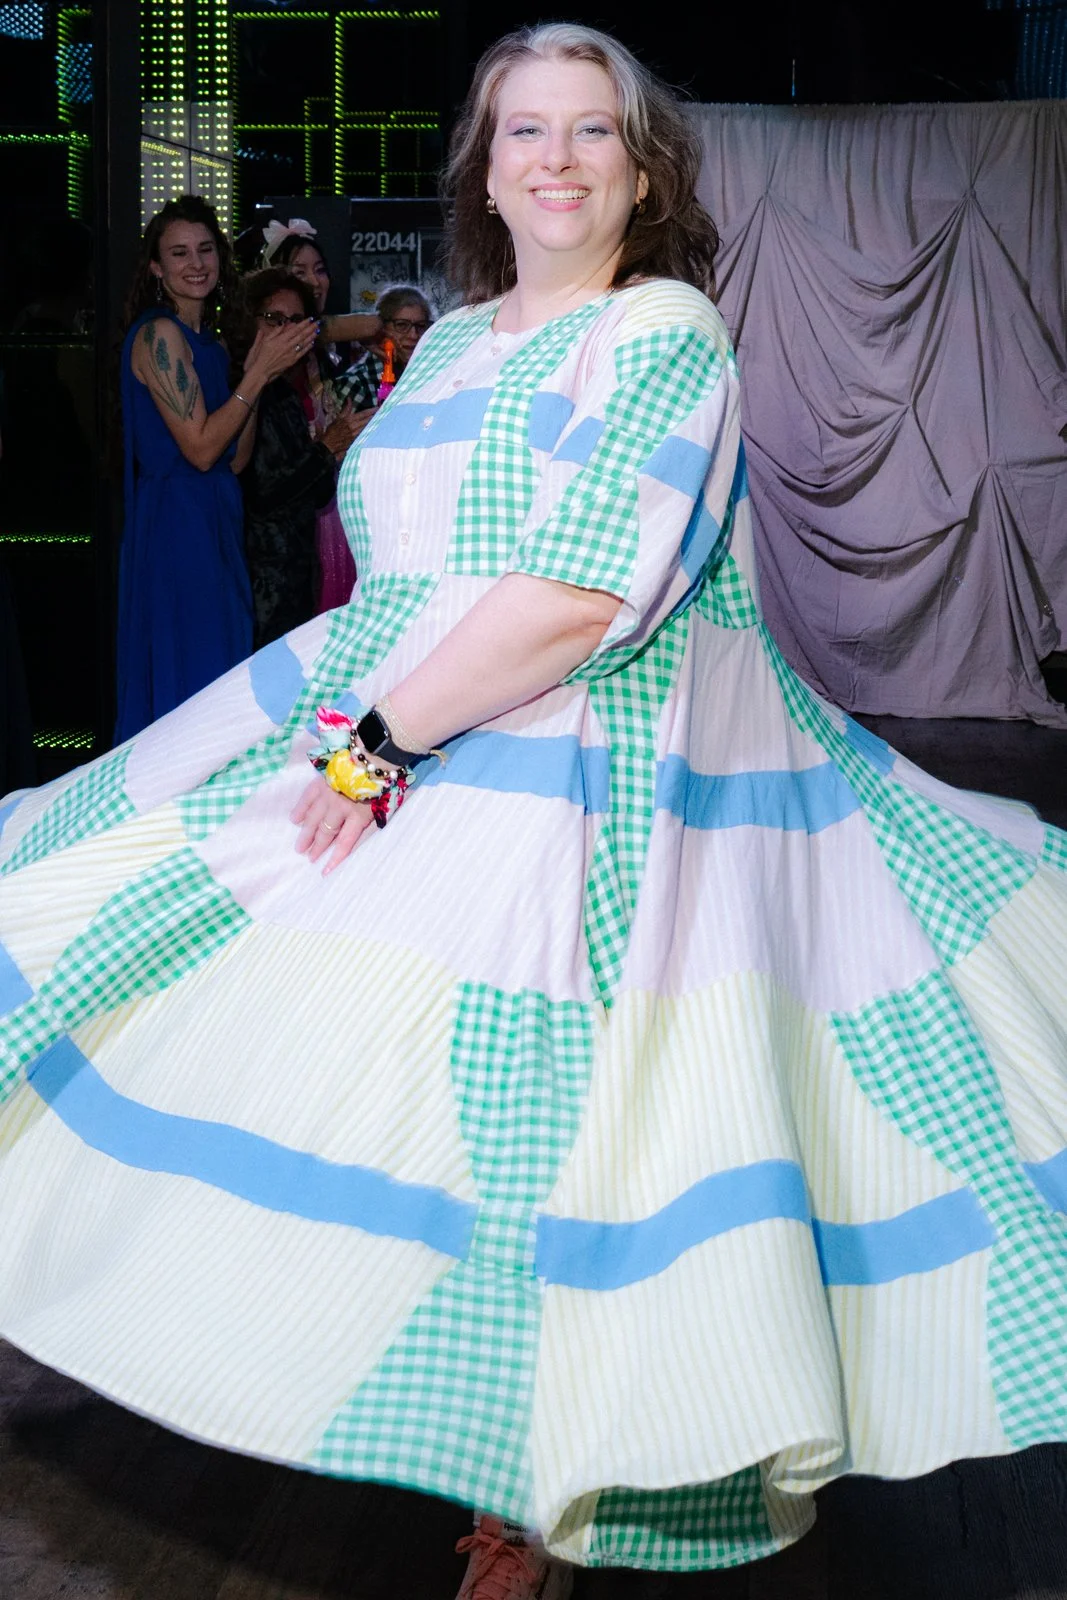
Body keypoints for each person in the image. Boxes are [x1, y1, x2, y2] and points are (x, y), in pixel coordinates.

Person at [3, 23, 1067, 1600]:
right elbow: (403, 563)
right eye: (524, 131)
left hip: (586, 767)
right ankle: (454, 1432)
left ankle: (540, 1502)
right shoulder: (446, 348)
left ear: (642, 175)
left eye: (592, 132)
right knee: (316, 1059)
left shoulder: (662, 331)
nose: (557, 159)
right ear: (483, 173)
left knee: (568, 1134)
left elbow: (578, 596)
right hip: (397, 732)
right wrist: (352, 739)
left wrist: (375, 749)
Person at [113, 194, 313, 742]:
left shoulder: (213, 345)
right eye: (179, 253)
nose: (196, 263)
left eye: (205, 249)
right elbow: (201, 449)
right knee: (189, 673)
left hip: (217, 518)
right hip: (176, 525)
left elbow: (235, 457)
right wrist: (257, 375)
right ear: (156, 268)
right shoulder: (159, 335)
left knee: (221, 668)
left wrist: (255, 374)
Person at [261, 221, 379, 612]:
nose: (314, 281)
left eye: (320, 270)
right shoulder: (270, 365)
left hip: (328, 512)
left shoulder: (325, 357)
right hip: (285, 543)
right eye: (299, 271)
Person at [239, 267, 357, 648]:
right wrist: (325, 448)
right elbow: (262, 491)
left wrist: (334, 448)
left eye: (296, 321)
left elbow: (316, 494)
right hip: (260, 586)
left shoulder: (286, 392)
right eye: (274, 319)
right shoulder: (242, 389)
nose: (287, 331)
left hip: (298, 580)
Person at [341, 283, 435, 422]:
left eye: (421, 326)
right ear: (380, 328)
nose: (414, 335)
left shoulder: (430, 376)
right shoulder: (356, 382)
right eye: (401, 325)